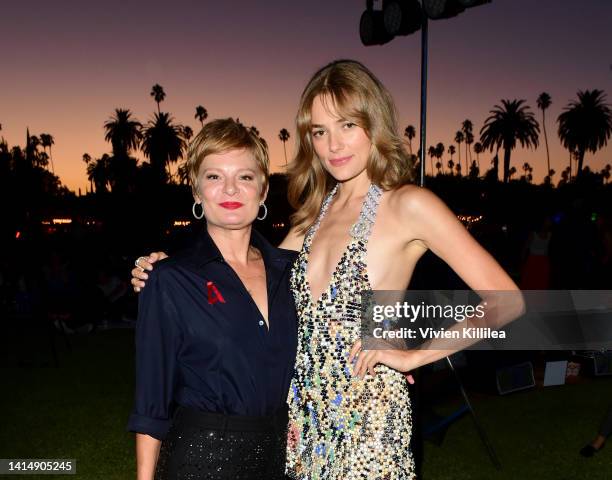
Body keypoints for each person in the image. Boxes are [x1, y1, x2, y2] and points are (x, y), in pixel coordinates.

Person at [132, 59, 523, 480]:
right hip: (301, 424)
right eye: (320, 132)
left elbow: (508, 301)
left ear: (374, 124)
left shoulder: (409, 204)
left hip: (368, 426)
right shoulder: (311, 217)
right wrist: (166, 268)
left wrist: (415, 356)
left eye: (347, 126)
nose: (334, 145)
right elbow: (241, 273)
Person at [127, 118, 298, 480]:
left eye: (245, 177)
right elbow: (150, 404)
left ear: (263, 190)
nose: (230, 189)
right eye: (214, 176)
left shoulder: (293, 273)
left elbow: (349, 307)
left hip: (279, 461)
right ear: (196, 191)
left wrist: (395, 351)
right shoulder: (170, 279)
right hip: (202, 461)